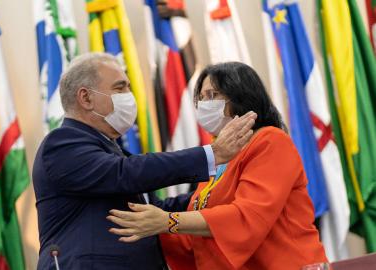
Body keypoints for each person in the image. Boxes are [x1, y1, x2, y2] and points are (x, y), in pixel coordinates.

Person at [32, 53, 256, 270]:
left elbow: (150, 208)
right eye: (120, 88)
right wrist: (211, 154)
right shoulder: (61, 143)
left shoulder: (110, 147)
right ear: (86, 98)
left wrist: (222, 190)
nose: (130, 95)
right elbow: (125, 174)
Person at [108, 62, 328, 270]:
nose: (204, 105)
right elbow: (198, 237)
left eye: (212, 96)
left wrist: (167, 221)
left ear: (241, 98)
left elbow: (246, 217)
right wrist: (143, 225)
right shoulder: (220, 158)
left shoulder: (271, 141)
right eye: (201, 98)